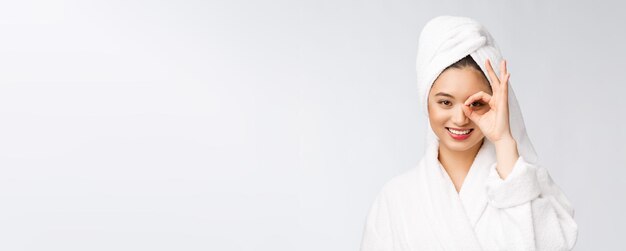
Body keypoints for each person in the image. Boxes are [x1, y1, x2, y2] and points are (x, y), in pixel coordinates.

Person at [360, 15, 578, 250]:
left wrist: (504, 142)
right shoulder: (396, 199)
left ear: (496, 103)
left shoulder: (527, 184)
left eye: (475, 103)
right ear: (426, 103)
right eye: (445, 102)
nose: (460, 118)